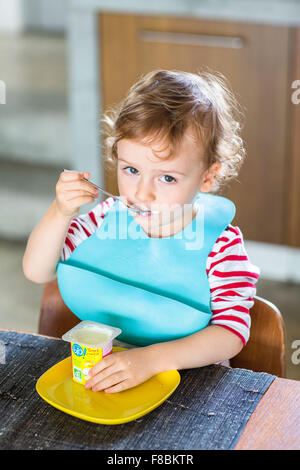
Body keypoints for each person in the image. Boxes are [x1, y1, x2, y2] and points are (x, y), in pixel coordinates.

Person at [23, 69, 260, 394]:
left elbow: (231, 333)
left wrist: (148, 361)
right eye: (131, 170)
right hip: (105, 374)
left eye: (167, 178)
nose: (142, 193)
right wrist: (60, 211)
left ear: (207, 176)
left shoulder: (222, 246)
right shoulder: (103, 219)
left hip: (190, 385)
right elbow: (37, 271)